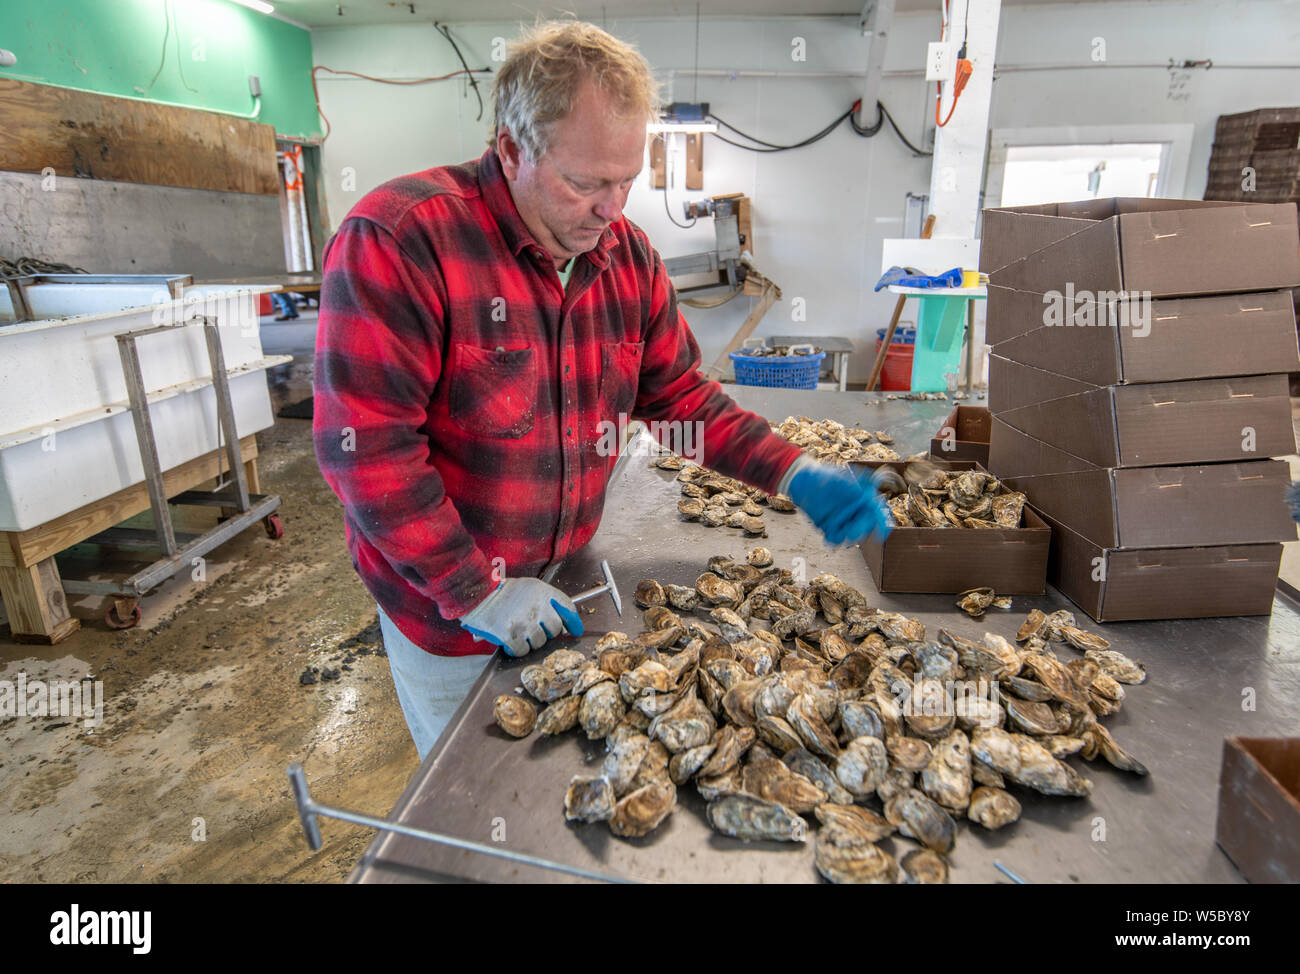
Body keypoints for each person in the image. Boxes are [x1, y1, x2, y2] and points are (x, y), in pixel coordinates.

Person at [313, 21, 890, 760]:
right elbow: (366, 452)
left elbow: (680, 398)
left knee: (561, 781)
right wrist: (476, 590)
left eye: (625, 181)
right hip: (445, 608)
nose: (610, 208)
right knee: (473, 791)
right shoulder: (402, 240)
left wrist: (791, 470)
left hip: (571, 580)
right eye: (584, 183)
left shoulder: (627, 258)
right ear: (512, 147)